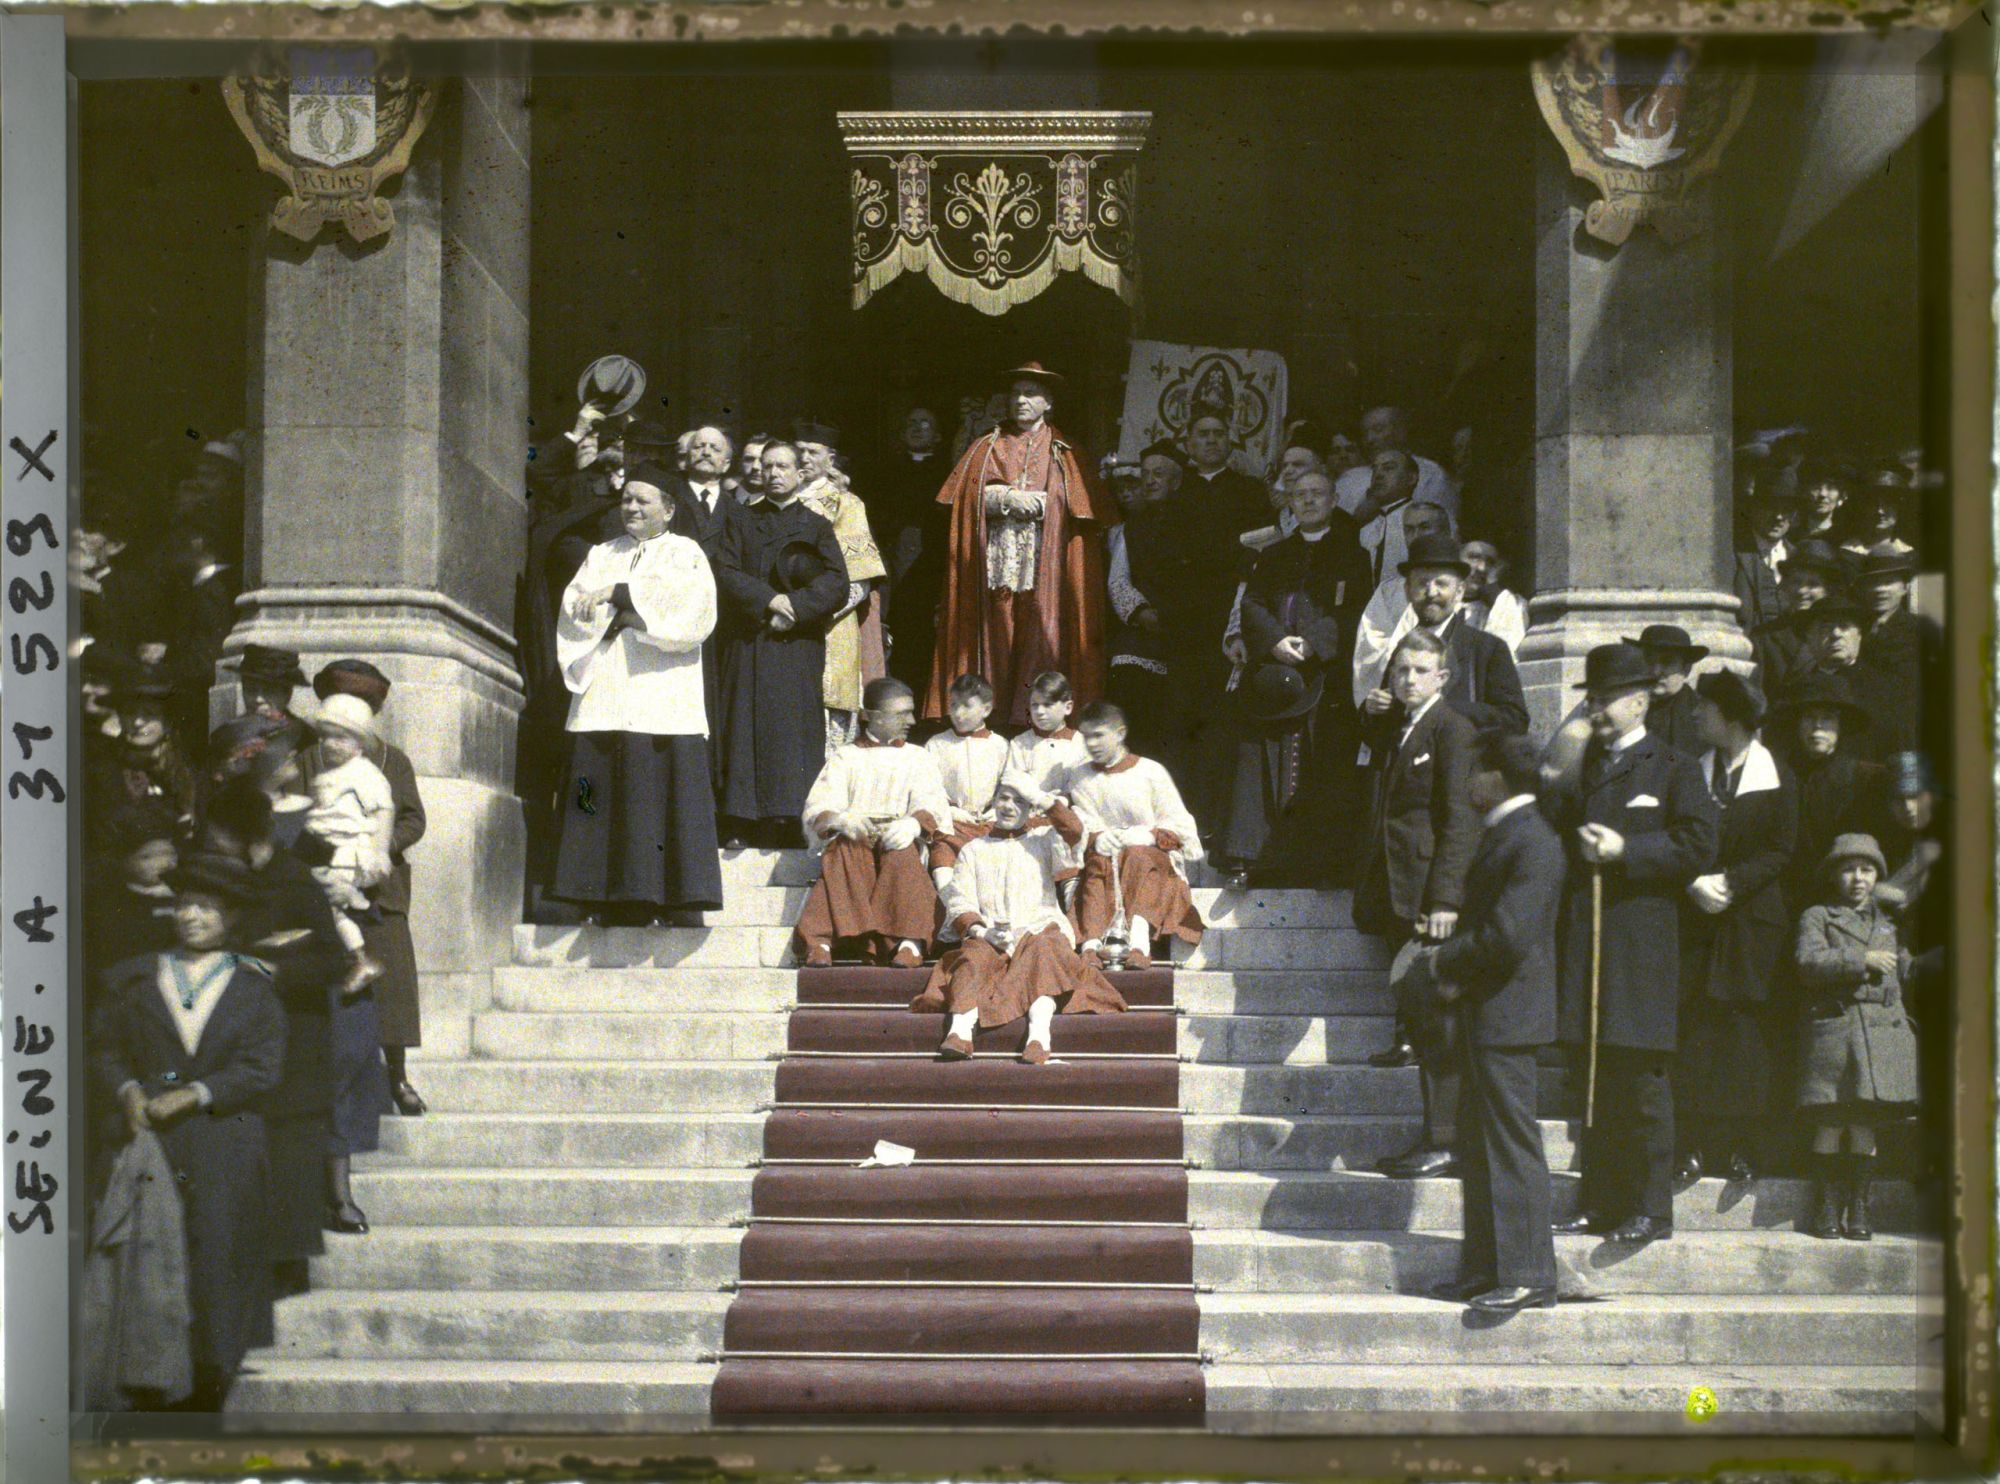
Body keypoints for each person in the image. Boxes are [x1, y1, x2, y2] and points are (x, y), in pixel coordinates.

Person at [90, 854, 287, 1410]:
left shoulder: (254, 985)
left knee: (218, 1254)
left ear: (232, 918)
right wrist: (129, 1090)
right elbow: (104, 1048)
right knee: (149, 1255)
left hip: (223, 1141)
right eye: (184, 905)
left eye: (207, 907)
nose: (192, 916)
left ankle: (209, 1378)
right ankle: (148, 1377)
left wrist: (198, 1093)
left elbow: (263, 1066)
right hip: (149, 1140)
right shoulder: (133, 977)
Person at [1547, 642, 1718, 1248]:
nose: (1595, 707)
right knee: (1592, 1078)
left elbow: (1698, 846)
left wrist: (1629, 851)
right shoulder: (1581, 763)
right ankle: (1599, 1201)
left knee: (1640, 1082)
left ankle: (1651, 1208)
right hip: (1585, 942)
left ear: (1640, 700)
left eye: (1606, 697)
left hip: (1641, 949)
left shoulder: (1674, 767)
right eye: (1590, 697)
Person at [1409, 729, 1565, 1313]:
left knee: (1508, 1144)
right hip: (1490, 1010)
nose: (1468, 780)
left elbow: (1508, 936)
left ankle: (1526, 1273)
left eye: (1477, 770)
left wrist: (1443, 958)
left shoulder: (1531, 840)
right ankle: (1486, 1268)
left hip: (1508, 1013)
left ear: (1499, 776)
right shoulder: (1510, 834)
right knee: (1480, 1142)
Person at [549, 461, 724, 919]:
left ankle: (666, 897)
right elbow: (574, 606)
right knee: (596, 787)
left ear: (668, 509)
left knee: (656, 789)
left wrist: (623, 597)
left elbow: (693, 611)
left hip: (662, 690)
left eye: (642, 500)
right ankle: (591, 893)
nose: (631, 507)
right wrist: (607, 604)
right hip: (607, 683)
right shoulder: (601, 552)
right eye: (626, 498)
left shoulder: (685, 553)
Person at [926, 362, 1120, 726]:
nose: (1021, 400)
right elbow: (964, 497)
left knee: (1040, 632)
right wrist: (1002, 498)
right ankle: (992, 716)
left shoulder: (1066, 450)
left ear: (1048, 402)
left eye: (1030, 393)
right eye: (1015, 393)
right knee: (997, 631)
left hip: (1045, 561)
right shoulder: (987, 445)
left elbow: (1082, 505)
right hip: (996, 562)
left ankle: (1034, 720)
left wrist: (1049, 502)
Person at [1352, 630, 1479, 1172]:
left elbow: (1461, 820)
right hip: (1397, 888)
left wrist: (1446, 898)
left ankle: (1444, 1140)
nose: (1408, 679)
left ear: (1443, 677)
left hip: (1430, 894)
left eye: (1420, 670)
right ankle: (1438, 1136)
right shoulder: (1402, 727)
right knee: (1425, 1021)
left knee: (1439, 1023)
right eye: (1401, 670)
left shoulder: (1452, 730)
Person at [1215, 468, 1372, 885]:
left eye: (1316, 494)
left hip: (1325, 679)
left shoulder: (1352, 554)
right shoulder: (1272, 556)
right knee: (1260, 762)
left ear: (1334, 499)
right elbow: (1253, 605)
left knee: (1323, 768)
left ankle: (1317, 865)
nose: (1307, 501)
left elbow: (1352, 611)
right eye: (1299, 495)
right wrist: (1276, 642)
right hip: (1273, 676)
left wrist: (1312, 645)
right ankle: (1254, 859)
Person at [1672, 671, 1798, 1186]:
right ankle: (1693, 1145)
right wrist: (1692, 882)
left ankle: (1744, 1148)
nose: (1696, 714)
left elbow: (1782, 850)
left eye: (1705, 707)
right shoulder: (1694, 772)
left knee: (1746, 1036)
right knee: (1697, 1031)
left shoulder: (1777, 776)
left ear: (1731, 718)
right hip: (1700, 921)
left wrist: (1732, 881)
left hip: (1752, 925)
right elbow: (1679, 837)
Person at [910, 772, 1127, 1062]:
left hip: (1039, 927)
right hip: (992, 933)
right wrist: (981, 931)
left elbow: (1075, 832)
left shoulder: (1044, 840)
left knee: (1044, 954)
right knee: (971, 960)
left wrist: (1042, 799)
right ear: (994, 802)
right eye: (1004, 798)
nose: (1009, 807)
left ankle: (1039, 1037)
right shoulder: (973, 850)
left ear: (1030, 808)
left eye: (1020, 801)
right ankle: (960, 1032)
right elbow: (960, 900)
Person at [304, 660, 430, 1118]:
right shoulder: (312, 759)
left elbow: (414, 817)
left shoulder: (392, 760)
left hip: (382, 888)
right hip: (330, 884)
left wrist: (380, 848)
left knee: (392, 988)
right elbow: (298, 814)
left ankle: (397, 1077)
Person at [715, 442, 851, 844]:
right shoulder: (739, 519)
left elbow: (837, 582)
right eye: (767, 466)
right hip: (750, 640)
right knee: (741, 727)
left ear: (799, 474)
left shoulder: (816, 525)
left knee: (792, 730)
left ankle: (790, 818)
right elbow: (725, 570)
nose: (774, 473)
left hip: (795, 644)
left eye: (783, 467)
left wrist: (793, 605)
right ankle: (741, 820)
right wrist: (767, 600)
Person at [1794, 834, 1919, 1241]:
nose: (1857, 879)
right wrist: (1859, 959)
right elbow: (1808, 962)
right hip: (1837, 1030)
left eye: (1866, 870)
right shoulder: (1818, 916)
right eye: (1847, 869)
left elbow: (1902, 977)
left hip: (1879, 1037)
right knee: (1830, 1121)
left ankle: (1859, 1209)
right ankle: (1827, 1207)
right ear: (1833, 875)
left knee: (1865, 1126)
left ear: (1877, 876)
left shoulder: (1888, 923)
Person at [793, 678, 951, 968]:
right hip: (858, 839)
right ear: (873, 716)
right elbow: (820, 805)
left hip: (897, 836)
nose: (912, 720)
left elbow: (932, 802)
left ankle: (910, 941)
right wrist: (842, 819)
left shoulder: (917, 757)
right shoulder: (846, 756)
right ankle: (820, 941)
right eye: (901, 713)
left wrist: (912, 825)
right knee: (843, 849)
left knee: (901, 853)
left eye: (911, 711)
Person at [1067, 700, 1206, 971]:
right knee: (1098, 858)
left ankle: (1139, 942)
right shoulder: (1080, 777)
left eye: (1099, 735)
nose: (1092, 744)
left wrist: (1150, 835)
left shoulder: (1150, 772)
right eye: (1086, 737)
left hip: (1152, 857)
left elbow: (1180, 826)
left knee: (1139, 856)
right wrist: (1097, 837)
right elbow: (1083, 820)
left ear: (1119, 734)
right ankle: (1092, 944)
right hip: (1107, 859)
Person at [1355, 534, 1529, 736]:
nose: (1431, 592)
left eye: (1441, 584)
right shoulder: (1402, 649)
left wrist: (1439, 709)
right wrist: (1371, 711)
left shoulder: (1487, 648)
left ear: (1459, 590)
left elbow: (1515, 720)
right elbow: (1381, 738)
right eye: (1422, 583)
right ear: (1407, 590)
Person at [1104, 440, 1206, 775]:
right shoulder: (1132, 527)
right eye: (1146, 474)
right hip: (1141, 634)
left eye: (1159, 474)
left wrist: (1177, 616)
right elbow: (1119, 581)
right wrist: (1142, 613)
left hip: (1184, 636)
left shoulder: (1195, 523)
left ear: (1176, 481)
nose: (1150, 481)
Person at [1769, 671, 1886, 918]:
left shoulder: (1863, 778)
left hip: (1840, 900)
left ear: (1841, 727)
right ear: (1797, 724)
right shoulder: (1775, 772)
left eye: (1828, 718)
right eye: (1810, 717)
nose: (1818, 726)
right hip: (1780, 894)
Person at [301, 694, 396, 997]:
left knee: (330, 905)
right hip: (324, 852)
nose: (331, 744)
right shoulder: (328, 775)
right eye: (326, 737)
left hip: (348, 853)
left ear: (359, 742)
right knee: (324, 906)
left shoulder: (365, 774)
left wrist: (379, 851)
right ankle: (353, 958)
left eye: (340, 738)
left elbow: (383, 809)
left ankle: (360, 959)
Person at [876, 406, 950, 693]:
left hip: (930, 561)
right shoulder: (886, 469)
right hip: (894, 561)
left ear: (939, 435)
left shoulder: (946, 471)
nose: (918, 428)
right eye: (912, 423)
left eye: (925, 423)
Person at [1850, 543, 1942, 759]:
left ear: (1904, 588)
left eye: (1889, 582)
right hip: (1861, 733)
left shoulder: (1921, 630)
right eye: (1873, 583)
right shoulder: (1853, 628)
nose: (1880, 590)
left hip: (1905, 734)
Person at [925, 672, 1010, 887]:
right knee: (943, 856)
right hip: (952, 824)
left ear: (986, 709)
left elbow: (1007, 783)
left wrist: (996, 810)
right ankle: (949, 906)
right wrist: (951, 811)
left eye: (966, 706)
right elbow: (929, 788)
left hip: (989, 823)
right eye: (953, 705)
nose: (958, 713)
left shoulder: (999, 745)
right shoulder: (937, 744)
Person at [1751, 540, 1844, 695]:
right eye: (1796, 582)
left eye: (1813, 584)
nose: (1801, 590)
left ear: (1828, 590)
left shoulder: (1840, 634)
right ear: (1786, 585)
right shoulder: (1763, 637)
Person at [1334, 404, 1454, 521]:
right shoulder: (1349, 479)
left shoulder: (1431, 474)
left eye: (1378, 430)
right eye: (1365, 433)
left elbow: (1444, 528)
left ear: (1400, 432)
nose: (1369, 439)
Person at [1183, 408, 1273, 537]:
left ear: (1229, 444)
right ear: (1190, 445)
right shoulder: (1178, 491)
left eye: (1219, 434)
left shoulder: (1251, 489)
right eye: (1203, 434)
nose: (1212, 440)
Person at [1628, 624, 1708, 757]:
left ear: (1686, 669)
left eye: (1667, 662)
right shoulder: (1625, 707)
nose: (1656, 671)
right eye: (1649, 661)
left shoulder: (1701, 714)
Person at [1006, 670, 1090, 797]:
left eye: (1047, 704)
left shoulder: (1081, 744)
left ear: (1068, 707)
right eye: (1035, 705)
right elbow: (1014, 784)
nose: (1039, 711)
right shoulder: (1020, 744)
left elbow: (1085, 787)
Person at [1732, 485, 1797, 634]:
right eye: (1771, 508)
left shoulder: (1797, 556)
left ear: (1794, 515)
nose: (1778, 517)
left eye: (1786, 510)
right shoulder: (1734, 553)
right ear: (1753, 510)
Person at [1460, 540, 1527, 656]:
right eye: (1474, 557)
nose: (1482, 568)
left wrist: (1492, 586)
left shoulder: (1511, 604)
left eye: (1490, 562)